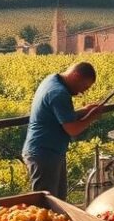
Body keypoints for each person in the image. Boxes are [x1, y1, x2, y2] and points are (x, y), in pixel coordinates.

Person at [22, 62, 103, 198]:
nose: (82, 92)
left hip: (47, 152)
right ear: (75, 75)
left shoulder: (52, 80)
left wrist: (84, 111)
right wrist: (92, 117)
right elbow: (72, 129)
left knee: (58, 202)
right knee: (47, 205)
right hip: (45, 154)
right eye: (84, 86)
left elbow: (62, 116)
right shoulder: (59, 94)